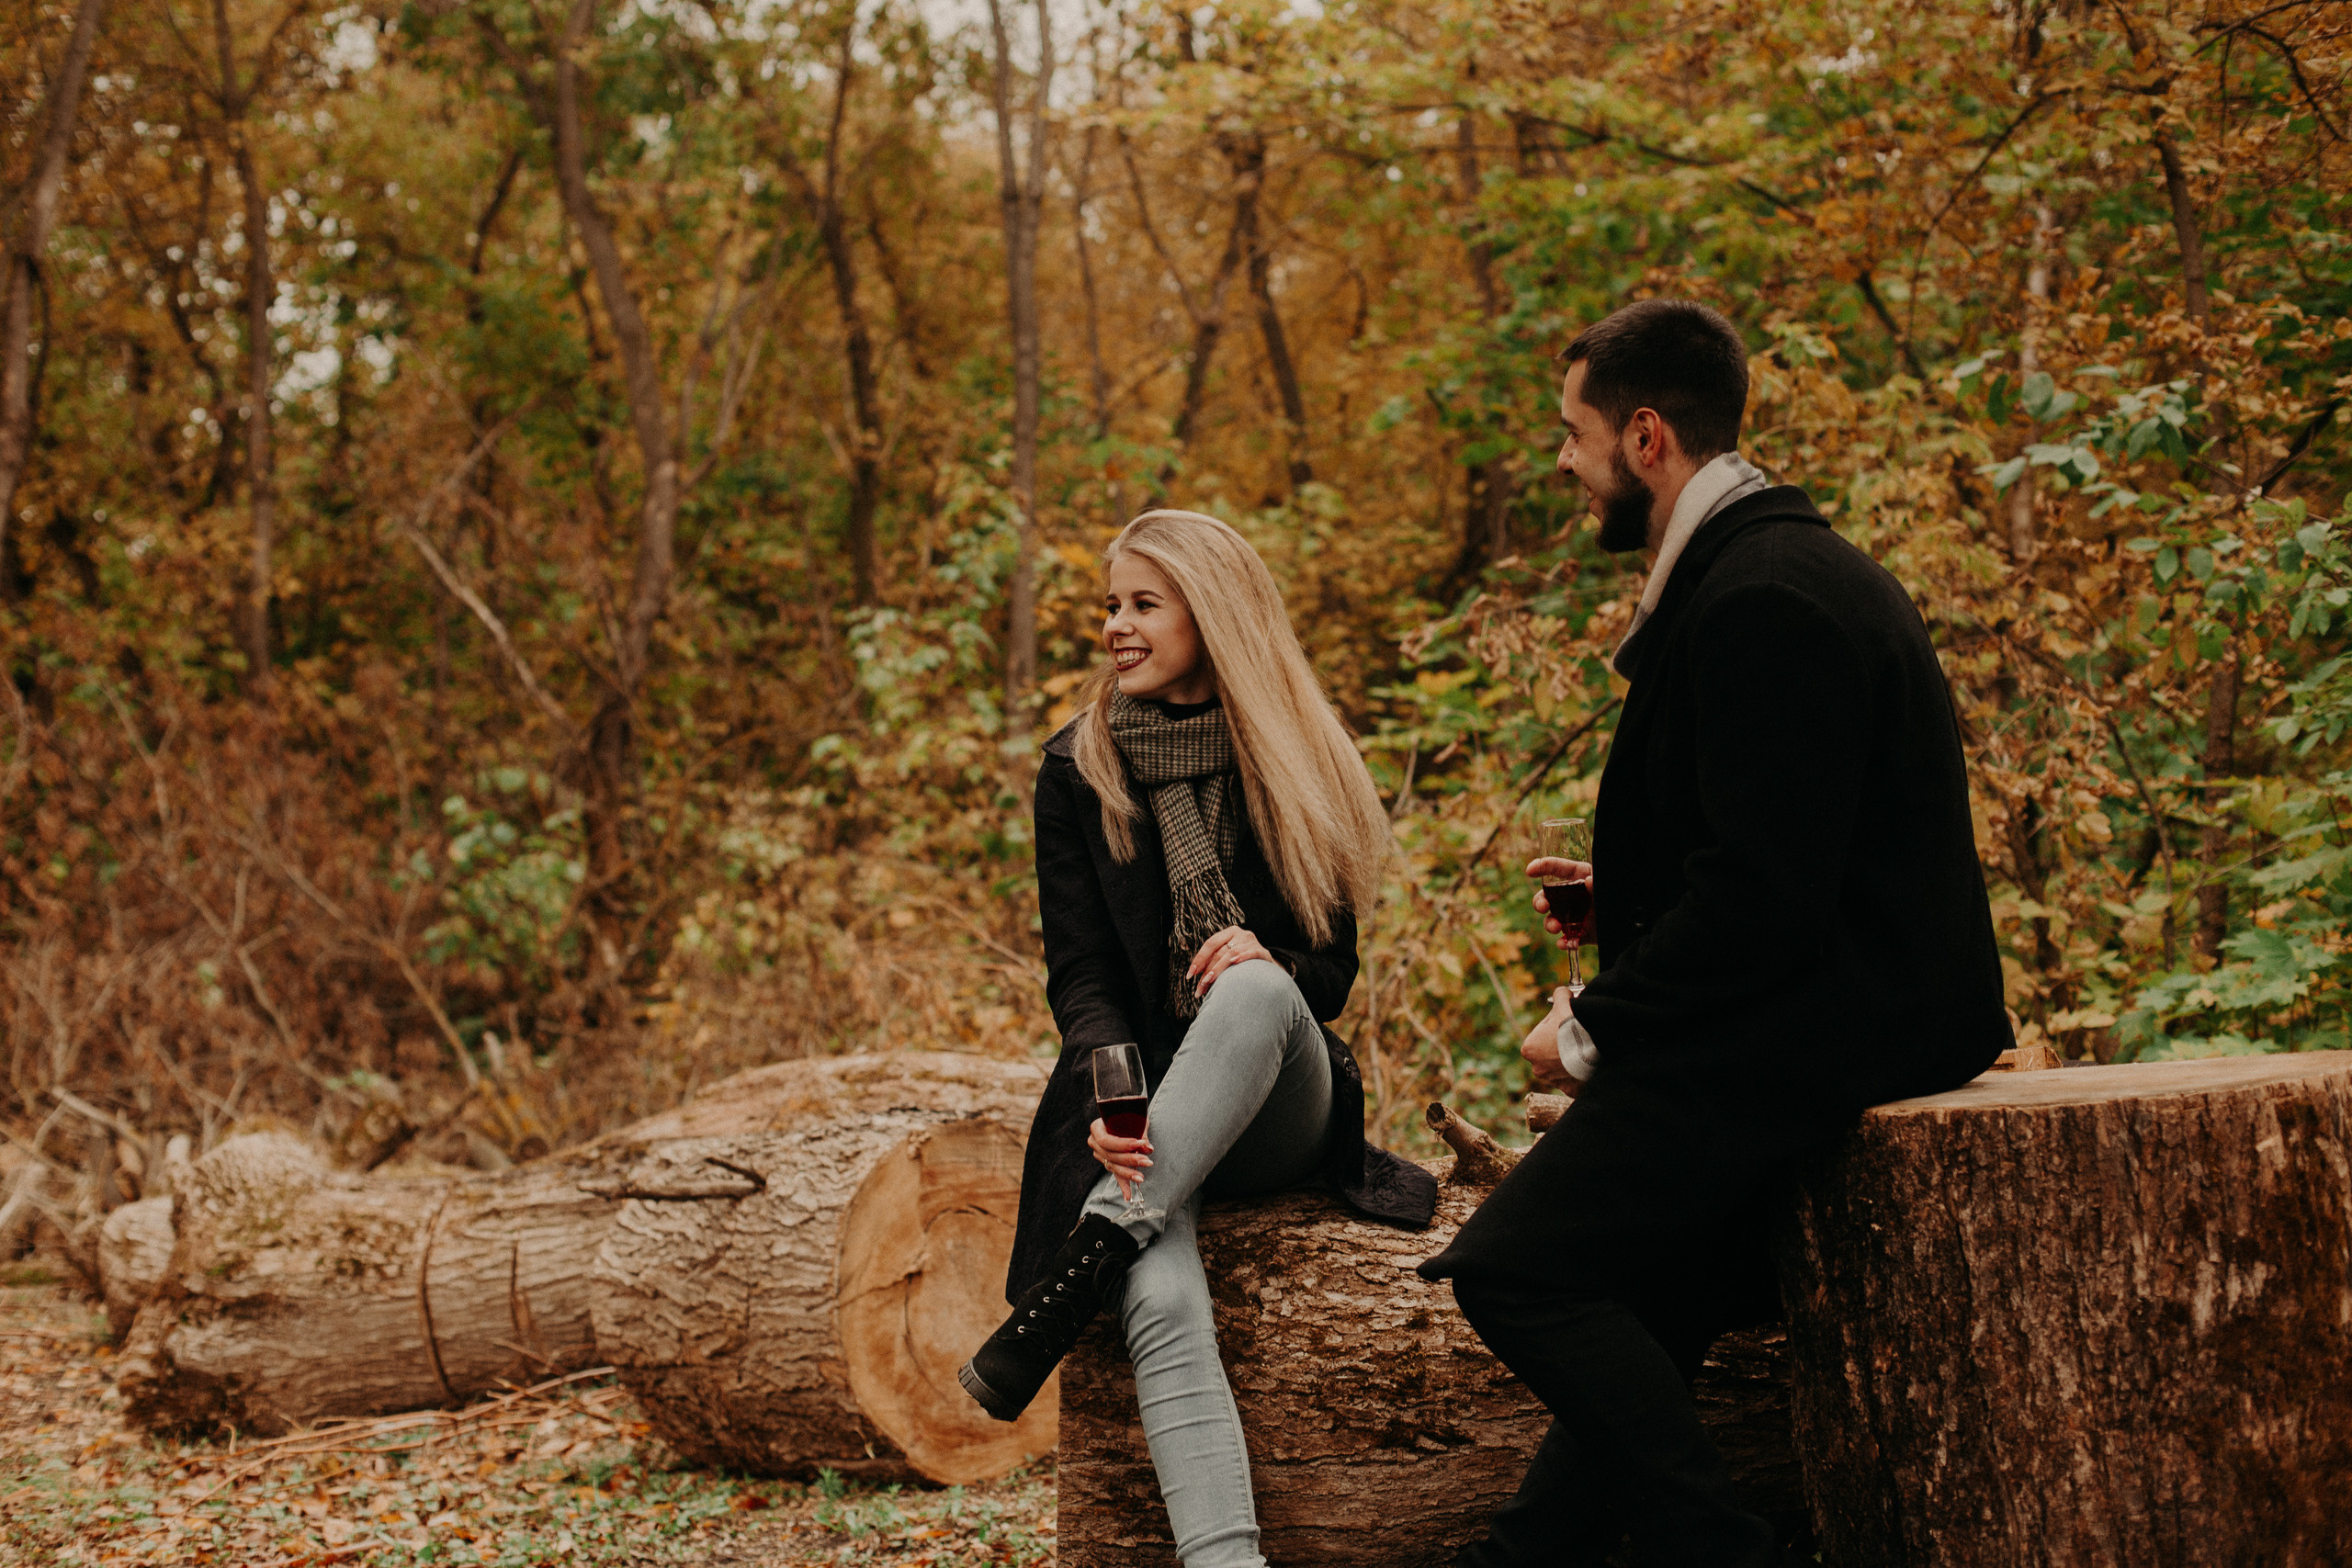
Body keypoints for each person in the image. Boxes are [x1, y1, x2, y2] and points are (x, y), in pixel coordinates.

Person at [1418, 299, 2013, 1566]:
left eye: (1573, 435)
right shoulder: (1765, 567)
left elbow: (1763, 898)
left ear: (1645, 437)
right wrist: (1623, 887)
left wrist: (1586, 1028)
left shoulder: (1765, 597)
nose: (1562, 465)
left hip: (1830, 1021)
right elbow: (1783, 834)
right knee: (1657, 1284)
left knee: (1515, 1269)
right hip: (1823, 993)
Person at [960, 509, 1437, 1568]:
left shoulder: (1291, 756)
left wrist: (1255, 955)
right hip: (1143, 1112)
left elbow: (1329, 979)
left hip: (1277, 1099)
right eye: (1109, 606)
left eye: (1142, 604)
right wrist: (1107, 1092)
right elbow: (1080, 978)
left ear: (1209, 616)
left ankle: (1083, 1255)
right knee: (1165, 1302)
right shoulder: (1075, 772)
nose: (1115, 628)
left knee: (1259, 990)